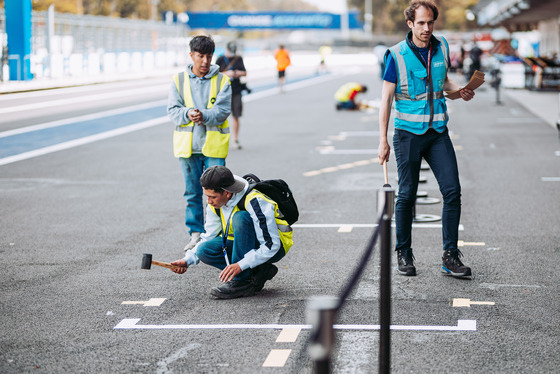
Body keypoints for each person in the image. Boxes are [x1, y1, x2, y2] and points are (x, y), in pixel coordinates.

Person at [377, 0, 475, 278]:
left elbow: (444, 84)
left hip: (437, 133)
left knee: (452, 190)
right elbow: (385, 100)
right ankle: (404, 252)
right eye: (420, 23)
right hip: (407, 134)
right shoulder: (395, 55)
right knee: (406, 195)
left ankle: (450, 256)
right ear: (410, 24)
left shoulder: (442, 46)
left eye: (430, 22)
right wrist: (382, 140)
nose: (426, 28)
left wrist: (461, 92)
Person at [170, 166, 293, 299]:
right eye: (207, 196)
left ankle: (240, 282)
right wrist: (187, 260)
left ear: (227, 193)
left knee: (240, 218)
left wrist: (241, 265)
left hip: (274, 247)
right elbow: (207, 237)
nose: (209, 202)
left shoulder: (255, 200)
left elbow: (271, 245)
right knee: (204, 250)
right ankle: (259, 271)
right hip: (244, 244)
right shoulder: (215, 203)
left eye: (212, 197)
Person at [167, 35, 232, 254]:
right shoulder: (179, 80)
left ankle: (216, 235)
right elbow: (173, 111)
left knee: (218, 193)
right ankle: (196, 234)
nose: (205, 61)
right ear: (191, 55)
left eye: (209, 56)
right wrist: (188, 113)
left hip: (214, 146)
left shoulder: (222, 80)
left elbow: (223, 111)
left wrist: (203, 115)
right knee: (192, 192)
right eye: (200, 56)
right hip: (188, 147)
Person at [216, 41, 247, 150]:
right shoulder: (220, 59)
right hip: (223, 92)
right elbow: (215, 74)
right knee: (220, 117)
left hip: (236, 90)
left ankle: (235, 139)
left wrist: (238, 73)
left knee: (236, 115)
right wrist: (227, 74)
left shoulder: (238, 58)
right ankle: (220, 140)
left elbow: (245, 72)